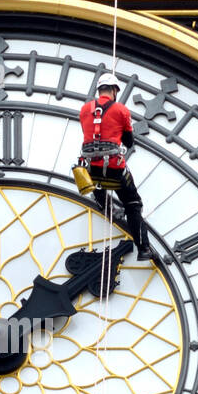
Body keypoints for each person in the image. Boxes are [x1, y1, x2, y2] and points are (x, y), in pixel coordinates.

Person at [77, 72, 152, 259]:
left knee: (98, 186)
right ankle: (144, 249)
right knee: (133, 204)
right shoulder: (121, 110)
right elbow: (128, 142)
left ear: (99, 89)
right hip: (115, 170)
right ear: (114, 90)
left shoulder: (85, 109)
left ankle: (107, 208)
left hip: (92, 170)